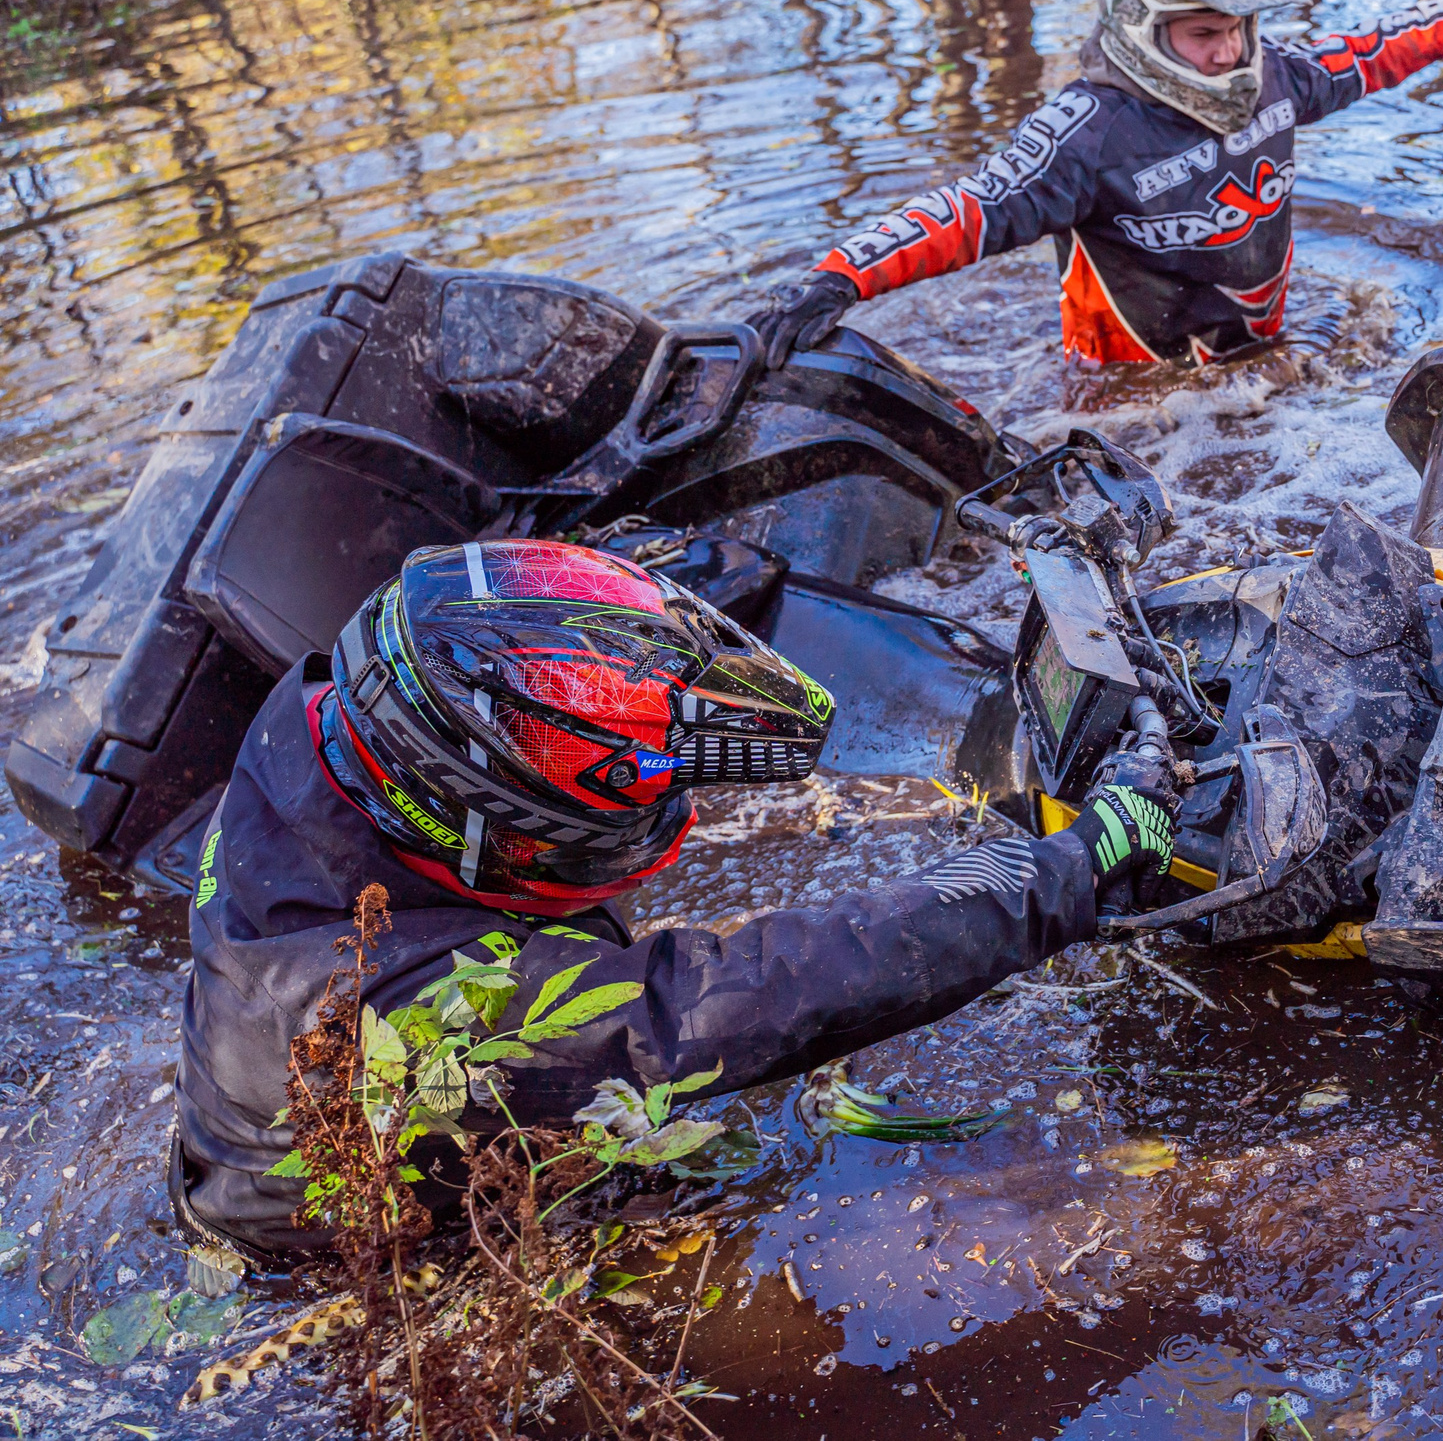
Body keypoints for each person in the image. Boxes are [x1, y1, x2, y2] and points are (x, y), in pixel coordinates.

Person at [172, 538, 1172, 1258]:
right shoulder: (401, 1009)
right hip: (337, 1254)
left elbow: (498, 631)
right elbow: (745, 995)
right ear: (469, 826)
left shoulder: (339, 706)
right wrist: (1067, 873)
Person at [755, 0, 1443, 367]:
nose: (1229, 52)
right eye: (1204, 36)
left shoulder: (1279, 75)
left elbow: (1373, 48)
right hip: (1130, 387)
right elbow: (974, 206)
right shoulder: (1088, 133)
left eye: (1239, 29)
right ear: (1145, 30)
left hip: (1265, 350)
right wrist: (837, 280)